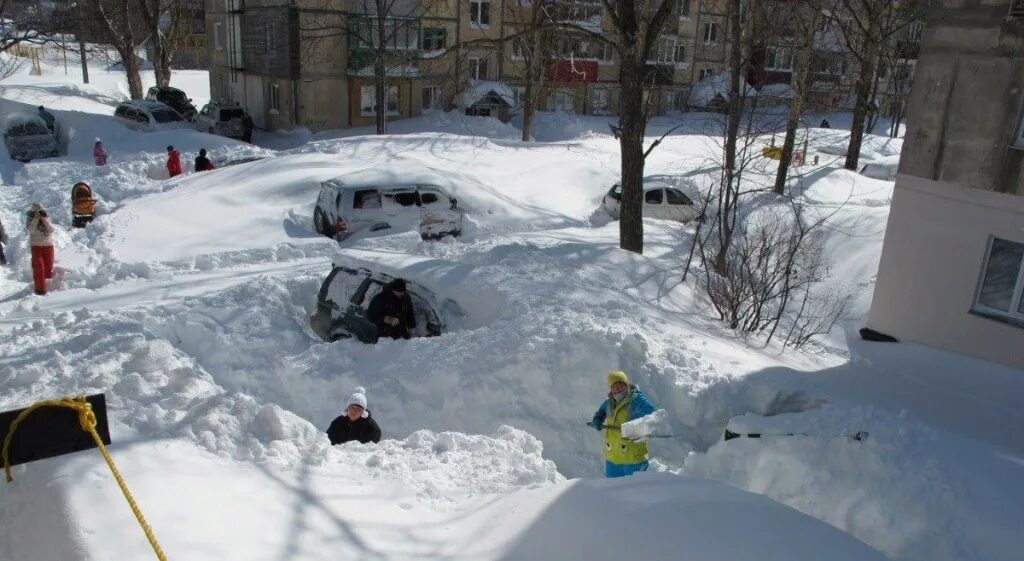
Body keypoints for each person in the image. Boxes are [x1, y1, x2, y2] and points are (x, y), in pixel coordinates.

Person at [589, 371, 656, 478]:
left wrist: (632, 424)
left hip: (633, 458)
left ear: (626, 385)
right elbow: (601, 412)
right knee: (612, 491)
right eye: (613, 386)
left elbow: (651, 412)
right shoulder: (609, 402)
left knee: (636, 491)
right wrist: (597, 419)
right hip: (613, 457)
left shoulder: (636, 399)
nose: (616, 389)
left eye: (620, 385)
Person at [25, 203, 55, 295]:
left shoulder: (46, 217)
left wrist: (44, 218)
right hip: (36, 246)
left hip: (48, 246)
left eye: (40, 211)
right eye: (37, 211)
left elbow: (51, 229)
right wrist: (36, 219)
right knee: (39, 267)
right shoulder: (30, 218)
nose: (39, 213)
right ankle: (39, 290)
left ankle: (49, 285)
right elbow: (30, 230)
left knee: (48, 268)